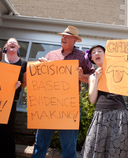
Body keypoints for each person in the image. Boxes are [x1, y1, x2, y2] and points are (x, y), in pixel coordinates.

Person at [31, 26, 94, 158]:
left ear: (75, 40)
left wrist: (81, 77)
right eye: (62, 36)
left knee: (69, 145)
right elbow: (40, 78)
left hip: (69, 106)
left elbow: (93, 78)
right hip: (48, 104)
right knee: (40, 143)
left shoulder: (83, 57)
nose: (63, 38)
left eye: (67, 36)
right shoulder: (51, 55)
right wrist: (40, 66)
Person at [80, 44, 128, 158]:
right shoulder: (92, 76)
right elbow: (92, 99)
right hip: (101, 115)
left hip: (119, 114)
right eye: (94, 52)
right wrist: (96, 78)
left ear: (106, 55)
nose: (97, 53)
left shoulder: (118, 70)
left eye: (100, 51)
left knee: (117, 149)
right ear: (91, 58)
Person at [0, 38, 27, 158]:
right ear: (5, 47)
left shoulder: (23, 63)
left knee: (6, 133)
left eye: (15, 42)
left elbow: (24, 83)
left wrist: (15, 88)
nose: (12, 43)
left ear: (18, 48)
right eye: (10, 42)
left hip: (10, 102)